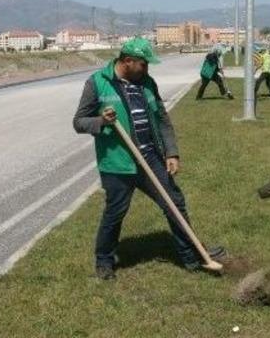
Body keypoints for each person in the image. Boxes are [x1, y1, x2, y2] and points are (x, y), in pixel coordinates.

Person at [73, 37, 224, 280]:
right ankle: (104, 261)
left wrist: (171, 152)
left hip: (150, 159)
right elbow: (79, 122)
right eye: (143, 64)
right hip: (117, 163)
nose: (147, 68)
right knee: (116, 212)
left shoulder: (147, 83)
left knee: (174, 203)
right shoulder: (97, 83)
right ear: (127, 61)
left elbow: (162, 118)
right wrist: (101, 122)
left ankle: (191, 255)